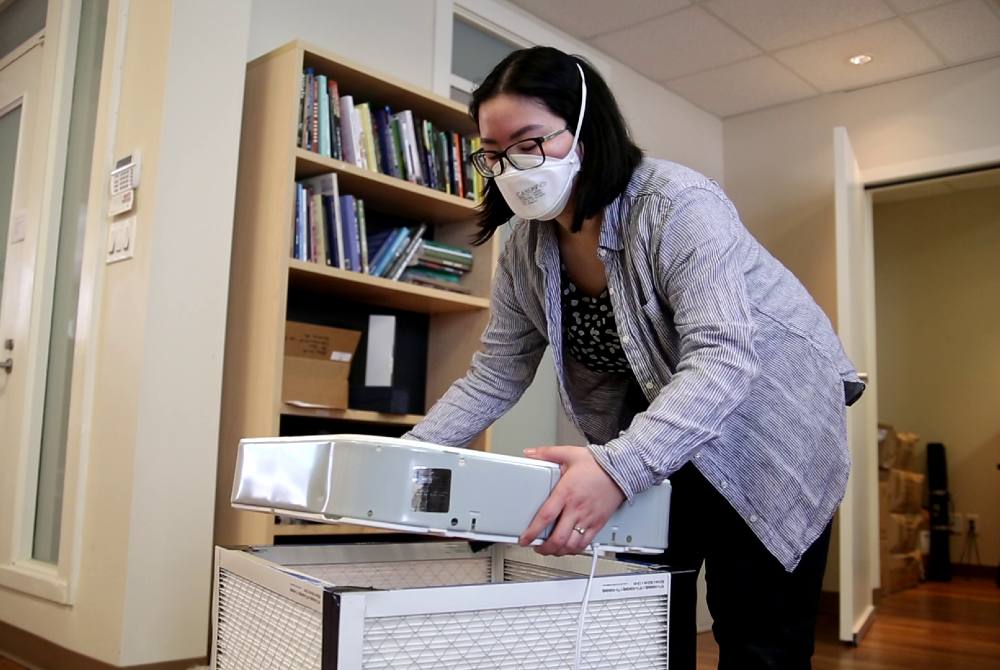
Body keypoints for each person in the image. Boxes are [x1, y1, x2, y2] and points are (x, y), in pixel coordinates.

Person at [403, 45, 864, 670]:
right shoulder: (524, 248)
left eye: (531, 141)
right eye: (494, 151)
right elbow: (497, 371)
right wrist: (406, 457)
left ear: (586, 130)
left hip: (766, 421)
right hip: (658, 428)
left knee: (759, 634)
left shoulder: (678, 204)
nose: (512, 167)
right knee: (642, 624)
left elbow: (723, 357)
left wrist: (617, 469)